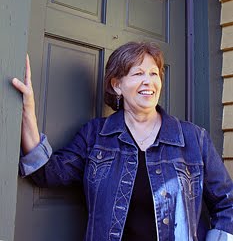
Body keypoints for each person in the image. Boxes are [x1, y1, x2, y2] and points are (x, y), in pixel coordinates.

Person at [13, 41, 233, 241]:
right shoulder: (96, 136)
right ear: (117, 85)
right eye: (138, 73)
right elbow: (47, 172)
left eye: (154, 73)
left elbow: (228, 204)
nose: (149, 81)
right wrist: (27, 109)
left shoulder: (194, 138)